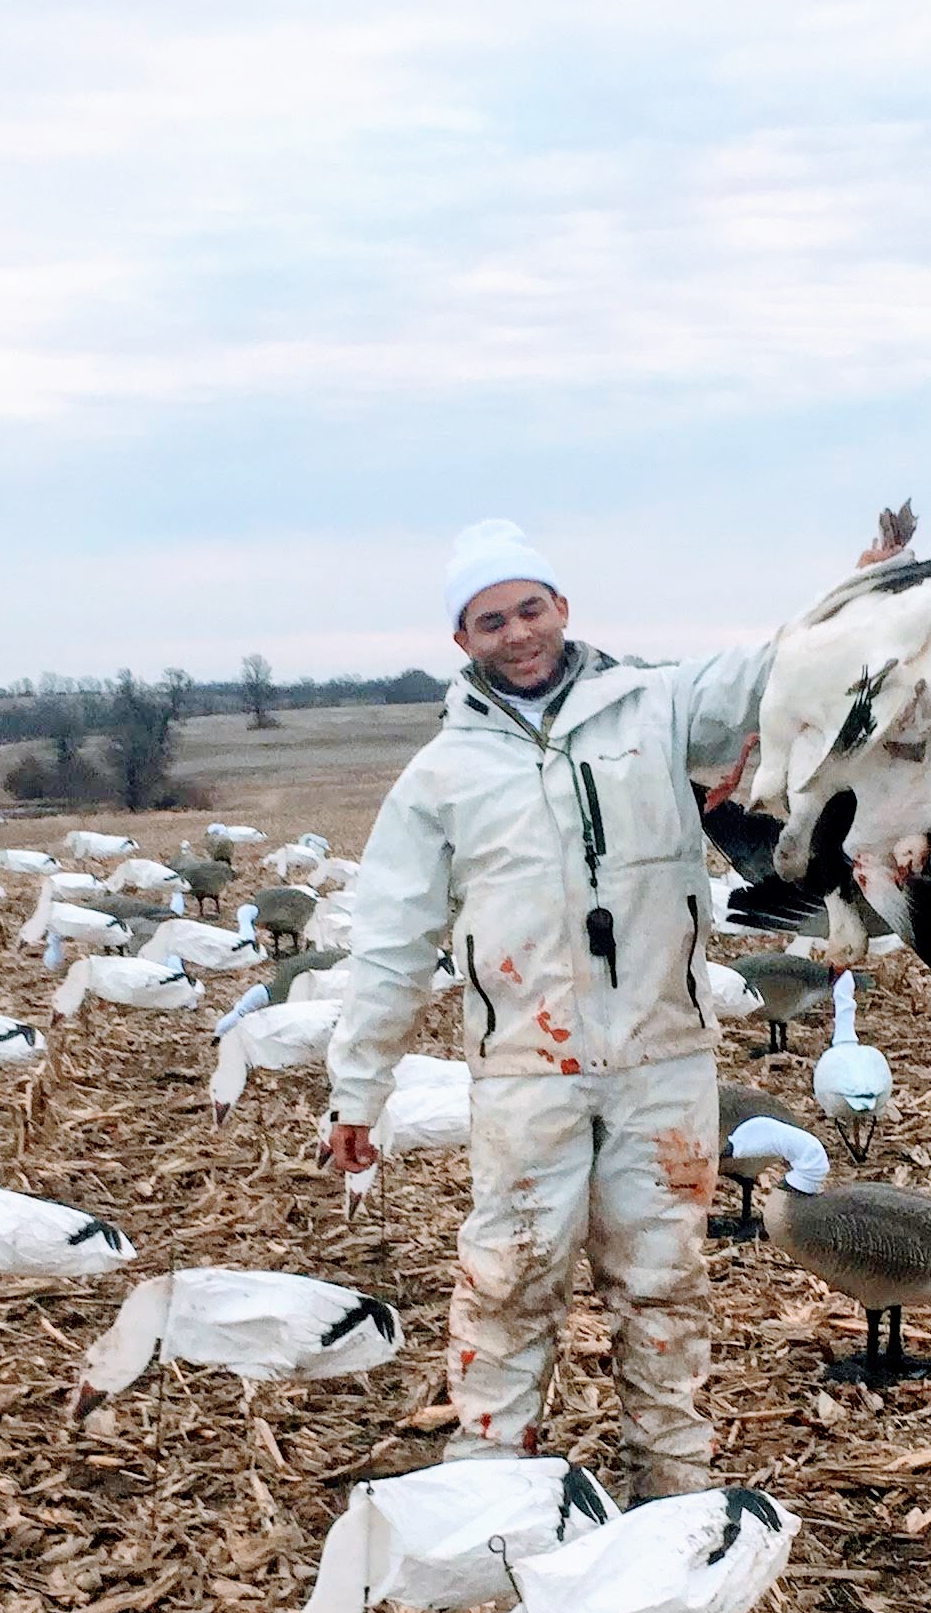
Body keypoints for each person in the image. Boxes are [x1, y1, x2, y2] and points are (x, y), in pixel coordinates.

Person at [324, 518, 832, 1500]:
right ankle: (487, 1492)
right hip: (526, 1075)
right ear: (461, 641)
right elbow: (389, 942)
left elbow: (780, 670)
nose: (516, 634)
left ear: (561, 608)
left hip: (665, 1062)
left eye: (529, 608)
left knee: (666, 1278)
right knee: (512, 1277)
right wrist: (357, 1090)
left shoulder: (660, 708)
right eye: (489, 620)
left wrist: (864, 596)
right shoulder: (442, 775)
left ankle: (675, 1491)